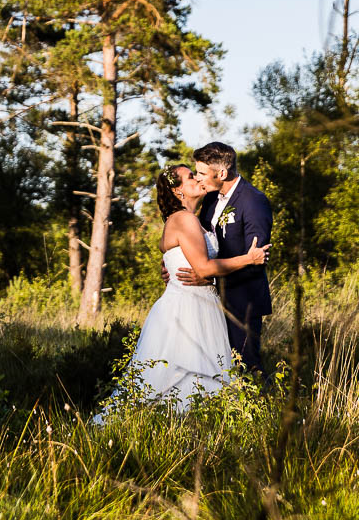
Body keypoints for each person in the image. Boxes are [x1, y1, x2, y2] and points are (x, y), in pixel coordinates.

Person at [113, 165, 268, 412]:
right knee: (188, 371)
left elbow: (184, 262)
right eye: (190, 177)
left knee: (191, 373)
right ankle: (183, 423)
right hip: (188, 307)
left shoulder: (194, 218)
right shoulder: (184, 219)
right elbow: (204, 268)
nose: (197, 179)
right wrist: (249, 259)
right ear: (178, 191)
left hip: (200, 302)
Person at [171, 142, 274, 378]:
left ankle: (268, 410)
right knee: (219, 367)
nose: (198, 179)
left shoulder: (253, 201)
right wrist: (177, 264)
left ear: (223, 173)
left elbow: (254, 260)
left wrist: (209, 276)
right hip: (210, 302)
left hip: (242, 299)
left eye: (202, 173)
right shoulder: (210, 199)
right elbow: (201, 243)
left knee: (246, 366)